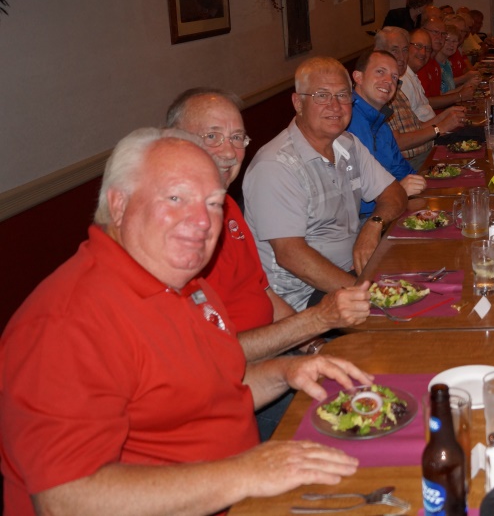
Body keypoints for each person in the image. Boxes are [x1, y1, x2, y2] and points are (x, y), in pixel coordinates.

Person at [0, 128, 371, 515]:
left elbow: (218, 387)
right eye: (175, 198)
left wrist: (288, 371)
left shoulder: (184, 284)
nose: (201, 221)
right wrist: (245, 473)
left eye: (213, 203)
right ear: (119, 204)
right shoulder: (66, 323)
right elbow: (66, 499)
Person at [166, 89, 373, 360]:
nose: (229, 151)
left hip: (281, 345)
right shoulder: (169, 234)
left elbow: (265, 295)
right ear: (173, 141)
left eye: (237, 138)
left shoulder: (228, 207)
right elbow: (212, 357)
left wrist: (315, 348)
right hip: (245, 372)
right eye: (212, 136)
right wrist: (318, 320)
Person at [243, 57, 406, 311]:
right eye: (321, 95)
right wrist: (368, 294)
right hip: (304, 300)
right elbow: (291, 255)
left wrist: (372, 227)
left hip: (350, 273)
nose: (335, 106)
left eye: (342, 95)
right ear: (298, 103)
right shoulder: (276, 165)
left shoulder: (347, 144)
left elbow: (394, 192)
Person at [348, 50, 427, 215]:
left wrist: (428, 183)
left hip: (390, 210)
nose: (388, 81)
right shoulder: (345, 122)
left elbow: (402, 169)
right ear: (358, 77)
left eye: (394, 77)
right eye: (380, 72)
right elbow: (351, 200)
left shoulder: (381, 125)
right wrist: (397, 192)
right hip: (361, 224)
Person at [374, 28, 464, 169]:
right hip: (412, 163)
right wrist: (440, 127)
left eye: (404, 50)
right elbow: (396, 142)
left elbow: (414, 128)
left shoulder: (397, 86)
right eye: (394, 50)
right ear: (378, 51)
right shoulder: (379, 91)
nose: (401, 56)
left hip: (426, 153)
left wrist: (444, 117)